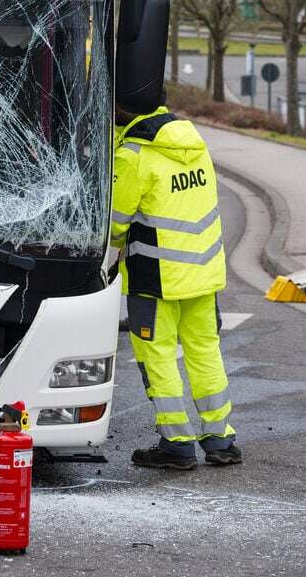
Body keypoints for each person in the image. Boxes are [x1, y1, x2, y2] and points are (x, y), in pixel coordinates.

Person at [112, 93, 242, 470]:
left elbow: (115, 225)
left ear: (122, 111)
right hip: (203, 274)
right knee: (205, 352)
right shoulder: (194, 144)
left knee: (158, 356)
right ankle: (220, 439)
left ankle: (177, 443)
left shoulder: (133, 156)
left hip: (156, 280)